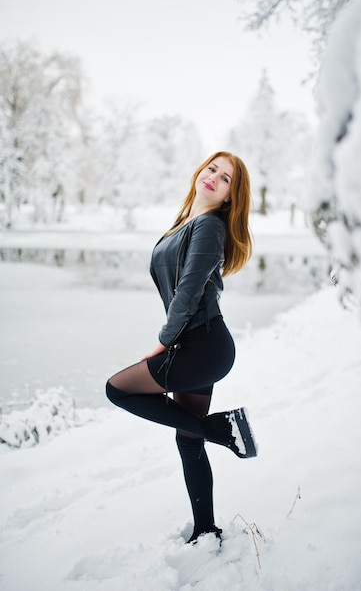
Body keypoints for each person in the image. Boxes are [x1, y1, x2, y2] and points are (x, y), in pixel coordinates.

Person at [106, 151, 257, 545]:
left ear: (229, 196)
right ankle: (205, 529)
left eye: (225, 178)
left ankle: (221, 431)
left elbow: (187, 296)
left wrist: (160, 343)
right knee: (187, 440)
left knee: (116, 388)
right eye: (212, 168)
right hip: (199, 344)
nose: (213, 178)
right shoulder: (185, 223)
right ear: (199, 171)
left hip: (202, 345)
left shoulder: (208, 227)